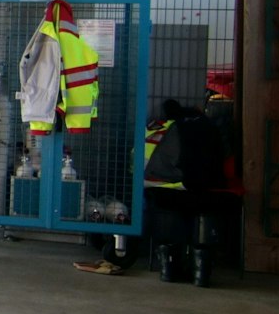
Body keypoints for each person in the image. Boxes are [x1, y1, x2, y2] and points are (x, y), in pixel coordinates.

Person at [75, 100, 226, 277]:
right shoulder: (205, 127)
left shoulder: (158, 127)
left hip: (154, 183)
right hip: (195, 186)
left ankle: (167, 263)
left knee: (143, 203)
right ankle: (195, 266)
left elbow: (136, 163)